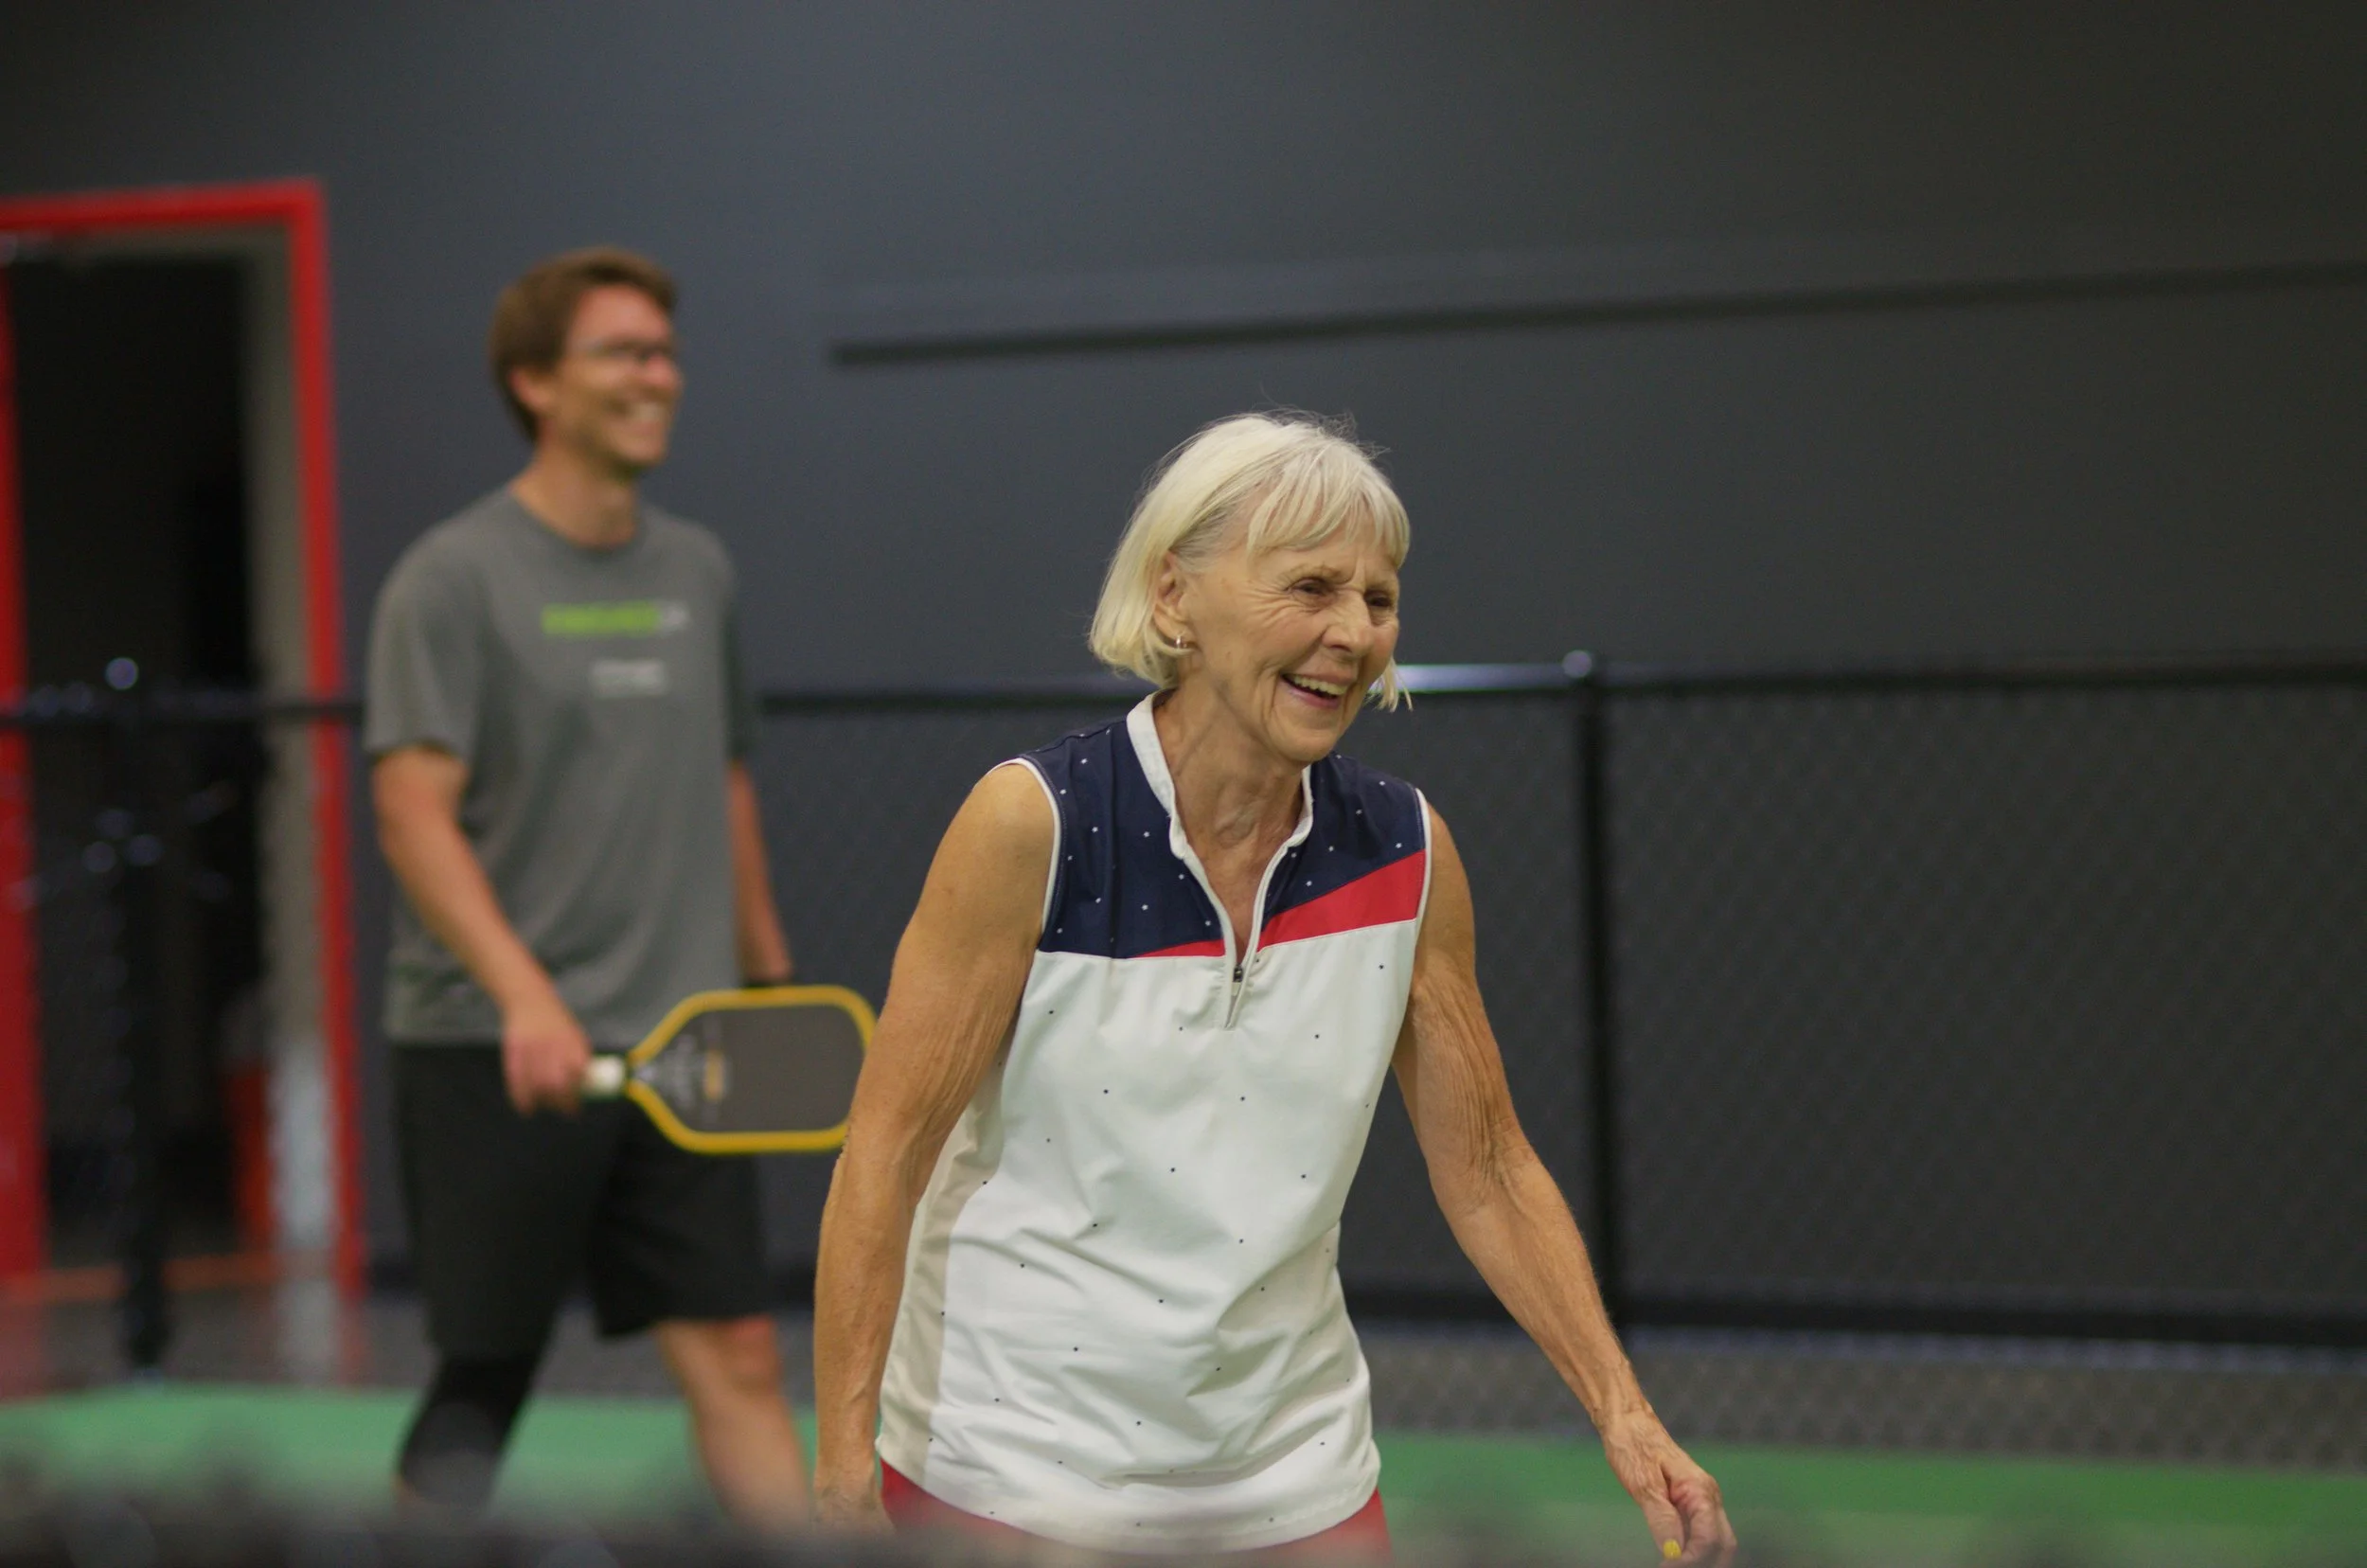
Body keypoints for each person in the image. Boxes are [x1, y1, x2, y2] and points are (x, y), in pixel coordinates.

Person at [810, 412, 1736, 1560]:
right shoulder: (1030, 825)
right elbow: (884, 1154)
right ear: (1173, 599)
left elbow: (1489, 1167)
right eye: (1308, 587)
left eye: (1378, 599)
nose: (1351, 632)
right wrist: (844, 1485)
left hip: (1297, 1484)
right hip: (1006, 1484)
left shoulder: (1408, 851)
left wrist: (1624, 1415)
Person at [365, 247, 808, 1526]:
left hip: (686, 1041)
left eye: (664, 352)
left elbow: (722, 782)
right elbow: (410, 813)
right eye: (623, 352)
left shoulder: (696, 572)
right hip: (495, 1047)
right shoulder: (451, 579)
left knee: (736, 1351)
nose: (657, 376)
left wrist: (764, 978)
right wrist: (526, 1000)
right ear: (536, 384)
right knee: (486, 1373)